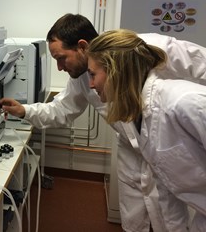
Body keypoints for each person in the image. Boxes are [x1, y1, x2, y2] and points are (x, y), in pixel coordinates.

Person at [0, 13, 206, 232]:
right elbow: (63, 109)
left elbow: (201, 64)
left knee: (173, 210)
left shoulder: (146, 52)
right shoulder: (82, 77)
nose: (59, 67)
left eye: (61, 58)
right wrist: (24, 110)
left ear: (82, 46)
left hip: (169, 139)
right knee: (135, 216)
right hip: (133, 147)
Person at [87, 29, 206, 231]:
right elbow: (167, 187)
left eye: (93, 74)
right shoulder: (140, 118)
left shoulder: (184, 102)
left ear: (115, 70)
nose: (90, 84)